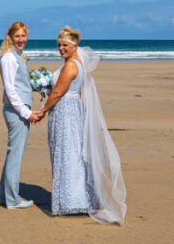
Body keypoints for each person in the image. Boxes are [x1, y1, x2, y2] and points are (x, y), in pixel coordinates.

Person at [31, 25, 126, 224]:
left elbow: (58, 93)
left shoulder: (71, 66)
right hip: (70, 110)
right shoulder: (76, 63)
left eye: (65, 45)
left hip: (66, 112)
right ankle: (81, 198)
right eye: (59, 45)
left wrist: (43, 111)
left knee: (68, 153)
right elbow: (57, 89)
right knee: (73, 152)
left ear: (74, 46)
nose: (61, 48)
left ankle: (72, 200)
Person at [0, 21, 41, 209]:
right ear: (10, 37)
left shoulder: (19, 56)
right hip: (16, 111)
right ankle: (12, 200)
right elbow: (11, 90)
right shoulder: (8, 58)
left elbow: (21, 84)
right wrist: (27, 113)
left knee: (13, 153)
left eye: (23, 36)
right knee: (15, 154)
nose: (21, 40)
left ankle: (2, 196)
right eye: (17, 36)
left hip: (19, 110)